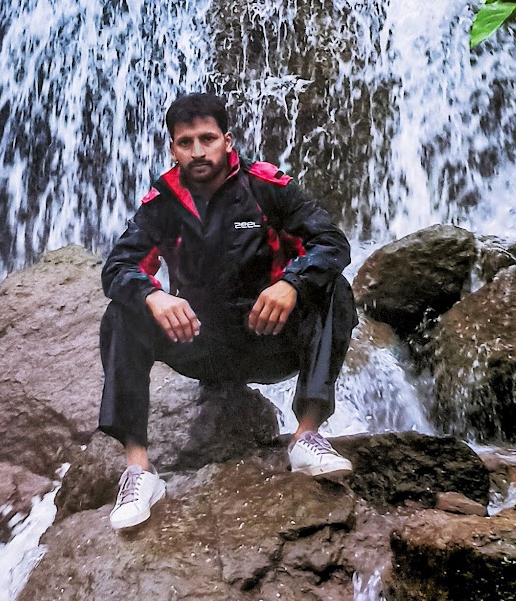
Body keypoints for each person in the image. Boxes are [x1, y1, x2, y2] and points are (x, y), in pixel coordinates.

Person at [98, 91, 358, 530]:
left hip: (271, 336)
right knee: (122, 312)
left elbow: (332, 242)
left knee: (333, 286)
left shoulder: (266, 186)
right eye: (185, 142)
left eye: (208, 139)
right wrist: (154, 295)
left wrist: (291, 284)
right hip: (202, 344)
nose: (198, 152)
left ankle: (307, 435)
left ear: (228, 140)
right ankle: (139, 472)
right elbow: (118, 267)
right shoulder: (162, 202)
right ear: (172, 148)